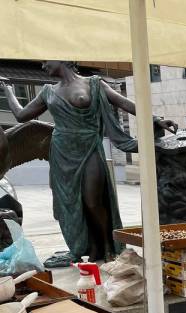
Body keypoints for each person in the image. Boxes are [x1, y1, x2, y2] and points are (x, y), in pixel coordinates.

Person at [0, 61, 176, 265]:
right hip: (62, 153)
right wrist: (8, 90)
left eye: (46, 61)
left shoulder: (94, 83)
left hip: (90, 147)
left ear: (62, 58)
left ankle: (109, 246)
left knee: (93, 201)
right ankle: (90, 249)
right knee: (73, 205)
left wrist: (155, 119)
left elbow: (124, 103)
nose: (43, 66)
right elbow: (21, 115)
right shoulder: (48, 91)